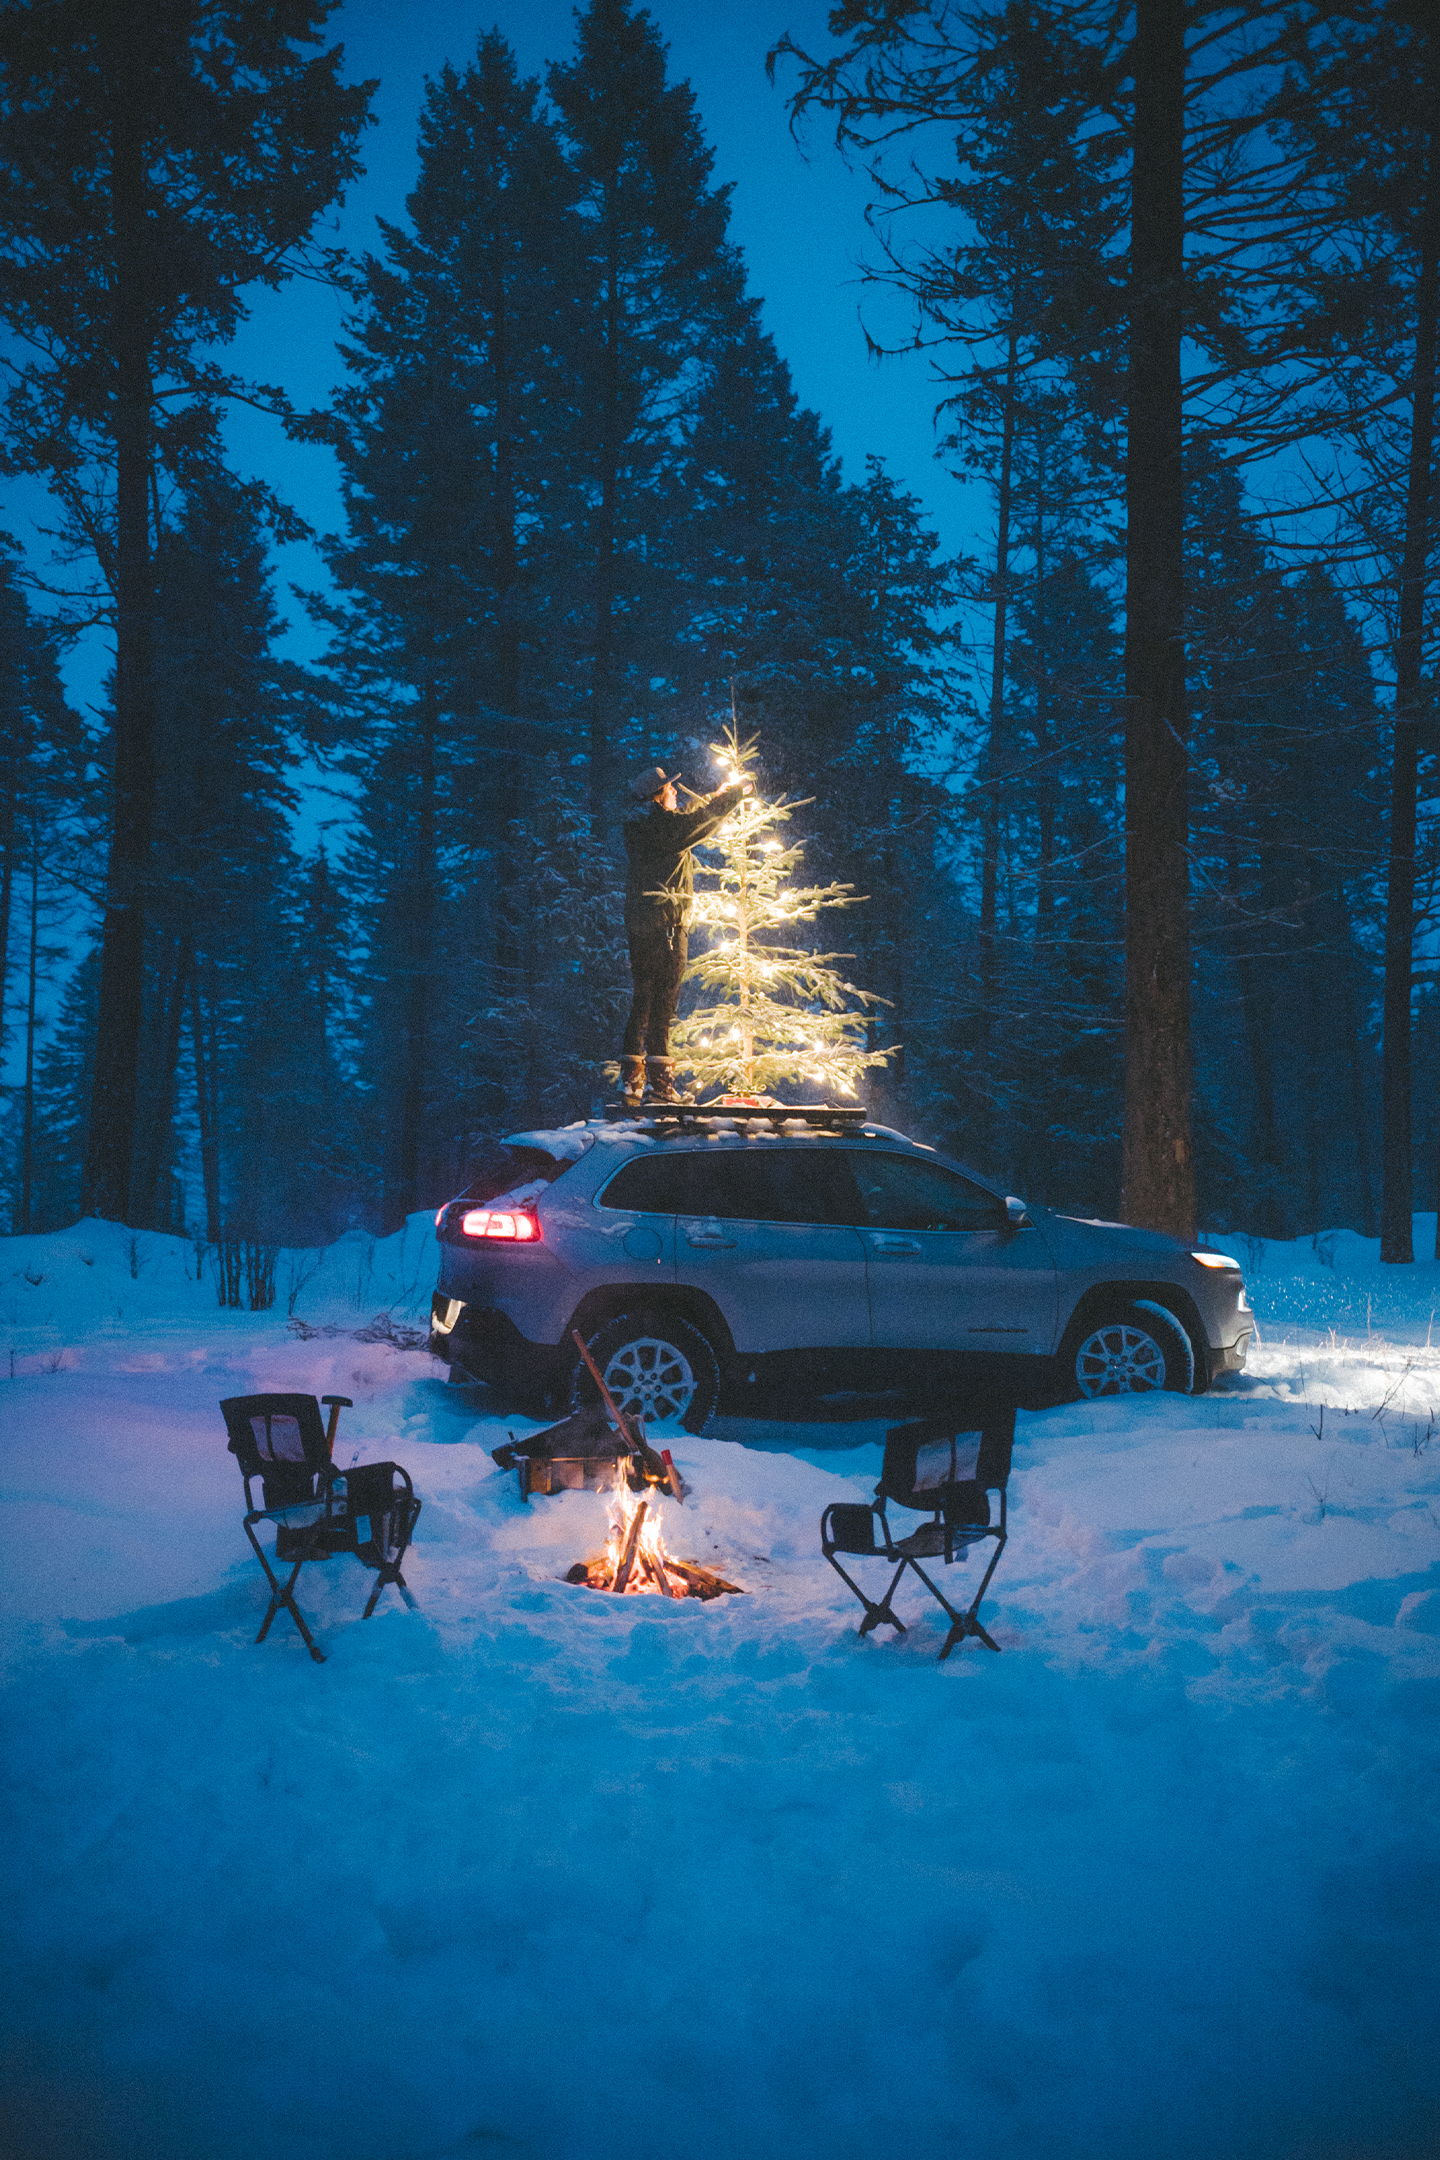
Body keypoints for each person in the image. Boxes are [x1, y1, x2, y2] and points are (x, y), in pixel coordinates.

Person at [620, 760, 752, 1104]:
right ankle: (660, 1086)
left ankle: (633, 1082)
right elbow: (696, 824)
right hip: (665, 927)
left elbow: (686, 818)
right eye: (670, 788)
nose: (676, 792)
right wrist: (733, 796)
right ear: (656, 796)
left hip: (646, 925)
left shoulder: (646, 826)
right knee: (662, 1003)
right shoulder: (662, 829)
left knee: (644, 1000)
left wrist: (717, 795)